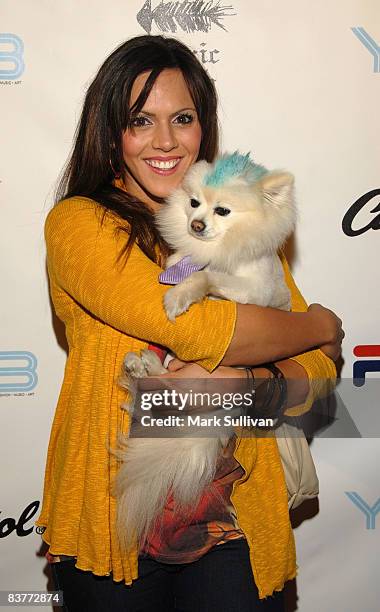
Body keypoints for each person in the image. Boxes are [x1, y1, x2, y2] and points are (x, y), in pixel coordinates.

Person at [35, 35, 343, 612]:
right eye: (140, 120)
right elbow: (198, 329)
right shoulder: (80, 225)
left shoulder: (242, 225)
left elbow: (321, 379)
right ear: (110, 131)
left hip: (235, 526)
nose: (166, 141)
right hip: (114, 525)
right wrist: (320, 326)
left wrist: (245, 386)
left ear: (204, 127)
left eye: (182, 118)